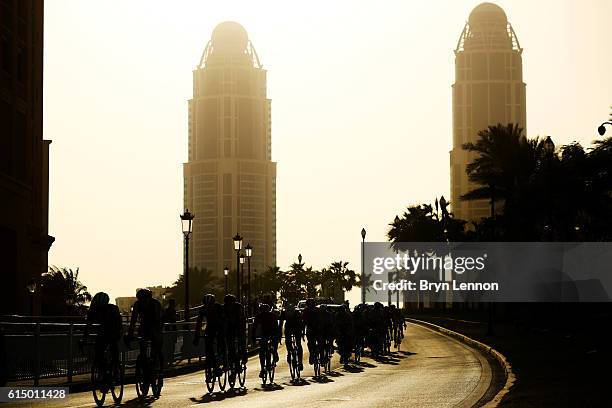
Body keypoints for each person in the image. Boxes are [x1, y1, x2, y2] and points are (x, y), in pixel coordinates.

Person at [82, 292, 122, 368]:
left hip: (105, 333)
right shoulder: (113, 308)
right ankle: (115, 366)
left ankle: (109, 366)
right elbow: (119, 323)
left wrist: (85, 338)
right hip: (113, 333)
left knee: (100, 350)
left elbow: (88, 325)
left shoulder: (93, 310)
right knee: (113, 348)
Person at [125, 289, 163, 368]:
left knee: (156, 349)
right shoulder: (137, 304)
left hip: (154, 327)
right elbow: (133, 320)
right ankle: (144, 360)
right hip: (144, 327)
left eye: (144, 299)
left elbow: (158, 319)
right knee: (143, 349)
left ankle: (159, 368)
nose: (143, 302)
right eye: (140, 299)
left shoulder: (155, 304)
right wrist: (130, 334)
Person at [193, 294, 225, 375]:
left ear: (213, 303)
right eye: (206, 305)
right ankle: (213, 363)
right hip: (210, 327)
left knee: (221, 342)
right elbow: (199, 323)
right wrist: (196, 335)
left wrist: (222, 332)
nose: (208, 307)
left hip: (219, 325)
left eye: (210, 305)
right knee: (208, 346)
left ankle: (224, 359)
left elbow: (224, 320)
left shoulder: (218, 307)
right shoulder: (202, 309)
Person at [251, 303, 279, 378]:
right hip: (263, 333)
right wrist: (253, 336)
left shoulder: (272, 316)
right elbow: (254, 327)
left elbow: (276, 328)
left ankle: (274, 352)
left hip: (271, 332)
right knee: (262, 351)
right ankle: (263, 368)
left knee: (270, 345)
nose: (264, 313)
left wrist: (277, 337)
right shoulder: (258, 316)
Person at [223, 294, 247, 369]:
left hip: (239, 325)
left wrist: (240, 331)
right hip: (229, 327)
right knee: (230, 346)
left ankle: (244, 355)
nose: (229, 305)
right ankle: (231, 359)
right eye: (228, 303)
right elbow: (222, 320)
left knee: (242, 341)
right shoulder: (223, 308)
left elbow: (241, 319)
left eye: (231, 303)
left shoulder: (239, 307)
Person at [279, 303, 304, 371]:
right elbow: (281, 324)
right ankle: (289, 353)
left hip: (296, 326)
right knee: (289, 341)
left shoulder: (296, 312)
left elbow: (301, 323)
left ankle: (300, 362)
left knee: (297, 344)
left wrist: (302, 333)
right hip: (290, 327)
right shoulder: (284, 312)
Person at [301, 298, 321, 365]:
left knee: (314, 342)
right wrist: (303, 331)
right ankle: (313, 354)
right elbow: (303, 322)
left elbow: (303, 322)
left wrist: (303, 331)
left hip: (316, 328)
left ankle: (315, 354)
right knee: (312, 343)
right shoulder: (306, 310)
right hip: (312, 329)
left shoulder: (315, 310)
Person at [161, 299, 178, 365]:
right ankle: (170, 359)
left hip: (169, 330)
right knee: (170, 345)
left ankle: (169, 359)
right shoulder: (170, 311)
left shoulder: (168, 311)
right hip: (171, 329)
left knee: (169, 345)